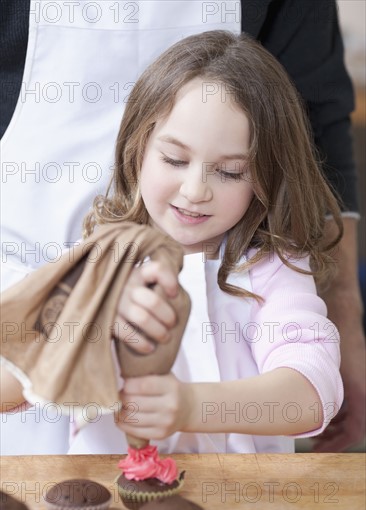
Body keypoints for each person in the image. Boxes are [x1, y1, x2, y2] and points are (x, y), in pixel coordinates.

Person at [0, 0, 364, 453]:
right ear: (137, 150)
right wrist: (86, 329)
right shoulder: (96, 263)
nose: (195, 191)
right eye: (174, 159)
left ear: (268, 174)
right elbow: (7, 389)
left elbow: (313, 394)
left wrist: (192, 406)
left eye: (230, 171)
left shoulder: (273, 267)